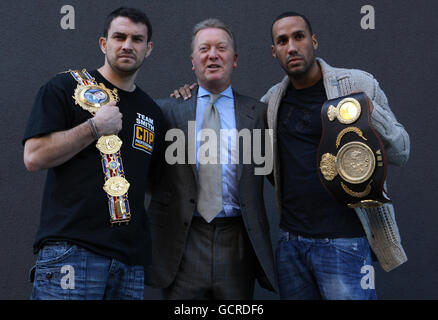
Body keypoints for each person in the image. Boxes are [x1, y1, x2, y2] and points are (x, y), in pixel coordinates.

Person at [172, 12, 410, 300]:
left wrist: (373, 112)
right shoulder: (270, 102)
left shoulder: (356, 84)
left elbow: (401, 151)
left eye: (298, 37)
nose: (292, 47)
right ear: (274, 52)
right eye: (282, 41)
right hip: (291, 244)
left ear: (314, 41)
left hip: (345, 242)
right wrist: (197, 95)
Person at [23, 7, 165, 300]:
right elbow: (34, 156)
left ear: (149, 49)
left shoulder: (153, 111)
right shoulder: (65, 86)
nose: (128, 45)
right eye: (119, 37)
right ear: (104, 43)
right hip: (72, 252)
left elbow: (152, 181)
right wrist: (93, 127)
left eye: (137, 39)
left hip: (129, 262)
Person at [145, 18, 277, 299]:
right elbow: (148, 176)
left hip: (238, 243)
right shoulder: (167, 111)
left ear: (235, 59)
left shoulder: (259, 113)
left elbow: (277, 174)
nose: (213, 54)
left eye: (221, 48)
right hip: (183, 244)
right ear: (193, 61)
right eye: (204, 49)